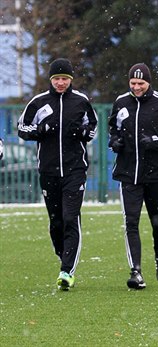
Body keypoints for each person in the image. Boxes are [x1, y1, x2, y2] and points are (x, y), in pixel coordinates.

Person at [17, 58, 98, 291]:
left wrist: (83, 132)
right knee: (56, 221)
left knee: (71, 218)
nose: (61, 83)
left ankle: (67, 270)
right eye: (56, 79)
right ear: (50, 80)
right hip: (49, 171)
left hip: (75, 170)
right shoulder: (38, 102)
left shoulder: (80, 101)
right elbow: (23, 129)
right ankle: (64, 256)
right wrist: (39, 130)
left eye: (65, 79)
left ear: (71, 80)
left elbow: (92, 127)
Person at [109, 63, 158, 289]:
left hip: (156, 175)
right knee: (130, 222)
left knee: (157, 222)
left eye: (140, 83)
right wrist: (114, 142)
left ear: (149, 83)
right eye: (133, 83)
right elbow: (113, 128)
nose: (136, 87)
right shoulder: (121, 102)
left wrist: (155, 142)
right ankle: (136, 272)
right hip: (128, 174)